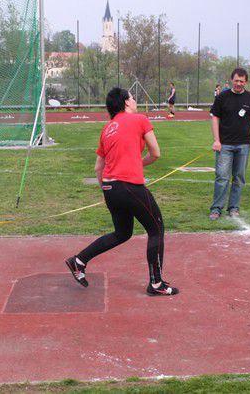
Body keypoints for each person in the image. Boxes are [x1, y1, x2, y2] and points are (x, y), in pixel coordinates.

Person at [65, 87, 179, 296]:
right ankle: (156, 284)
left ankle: (79, 261)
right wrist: (138, 163)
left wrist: (106, 190)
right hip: (128, 185)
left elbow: (98, 167)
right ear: (126, 102)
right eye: (133, 98)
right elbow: (156, 153)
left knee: (122, 233)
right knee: (156, 229)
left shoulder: (107, 128)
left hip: (110, 187)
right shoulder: (140, 119)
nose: (135, 101)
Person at [209, 68, 250, 220]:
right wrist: (216, 140)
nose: (239, 83)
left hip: (244, 145)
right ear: (231, 80)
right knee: (222, 178)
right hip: (224, 145)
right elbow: (214, 118)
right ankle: (216, 209)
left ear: (246, 82)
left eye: (242, 81)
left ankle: (233, 207)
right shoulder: (222, 97)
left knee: (239, 178)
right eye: (236, 80)